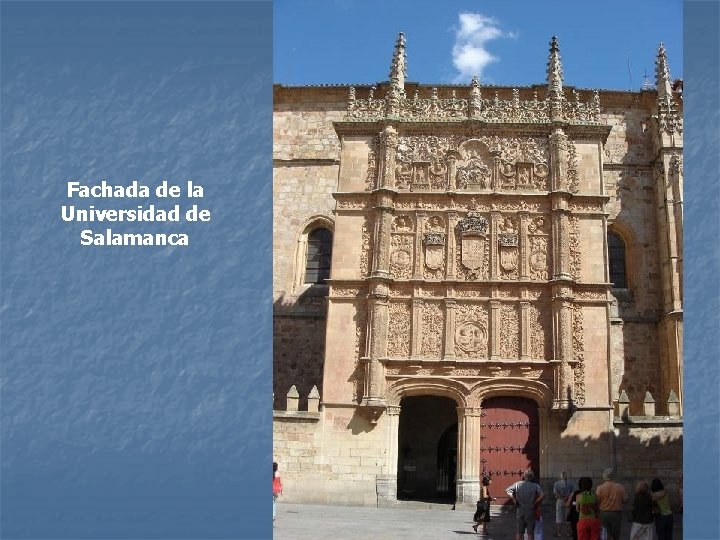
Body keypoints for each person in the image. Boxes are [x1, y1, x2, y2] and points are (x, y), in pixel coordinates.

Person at [506, 469, 545, 540]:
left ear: (524, 476)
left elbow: (508, 490)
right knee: (530, 533)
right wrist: (536, 502)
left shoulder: (517, 484)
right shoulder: (535, 486)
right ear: (532, 477)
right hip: (531, 510)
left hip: (520, 510)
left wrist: (514, 499)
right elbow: (542, 494)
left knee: (519, 532)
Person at [595, 468, 627, 540]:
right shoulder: (620, 487)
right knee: (616, 535)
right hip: (616, 514)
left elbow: (597, 501)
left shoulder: (600, 488)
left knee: (605, 535)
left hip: (603, 514)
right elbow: (626, 499)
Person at [553, 471, 575, 537]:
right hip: (568, 500)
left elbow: (555, 493)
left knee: (558, 517)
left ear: (561, 476)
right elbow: (572, 493)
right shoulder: (570, 483)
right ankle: (568, 533)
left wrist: (562, 497)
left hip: (560, 500)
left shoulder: (556, 483)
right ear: (566, 476)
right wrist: (567, 498)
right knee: (568, 517)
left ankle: (559, 533)